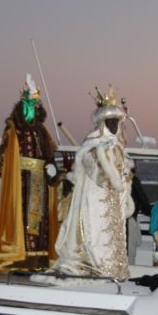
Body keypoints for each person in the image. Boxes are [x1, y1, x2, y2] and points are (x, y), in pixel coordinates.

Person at [43, 86, 135, 282]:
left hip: (114, 200)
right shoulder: (92, 146)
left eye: (115, 122)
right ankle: (96, 263)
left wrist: (125, 174)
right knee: (96, 233)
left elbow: (123, 171)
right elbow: (94, 169)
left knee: (112, 234)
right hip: (95, 198)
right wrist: (110, 175)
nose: (112, 125)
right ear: (102, 123)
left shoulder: (118, 147)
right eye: (109, 122)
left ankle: (113, 266)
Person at [0, 74, 58, 271]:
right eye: (32, 104)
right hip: (23, 180)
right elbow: (5, 157)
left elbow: (48, 154)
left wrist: (52, 168)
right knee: (25, 221)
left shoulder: (43, 132)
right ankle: (22, 259)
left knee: (40, 221)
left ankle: (39, 259)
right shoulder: (14, 130)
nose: (36, 108)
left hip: (40, 180)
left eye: (37, 104)